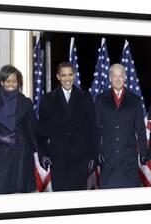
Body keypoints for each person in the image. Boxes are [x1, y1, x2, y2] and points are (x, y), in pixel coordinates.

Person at [36, 62, 96, 191]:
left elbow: (92, 129)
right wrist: (43, 154)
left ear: (74, 76)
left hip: (80, 159)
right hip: (58, 159)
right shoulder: (48, 99)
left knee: (78, 200)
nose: (67, 79)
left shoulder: (86, 98)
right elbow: (41, 131)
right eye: (63, 75)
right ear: (58, 77)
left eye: (70, 75)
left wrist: (92, 155)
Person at [95, 63, 149, 189]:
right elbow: (96, 129)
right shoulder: (100, 99)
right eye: (114, 76)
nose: (118, 79)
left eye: (121, 76)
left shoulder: (135, 100)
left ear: (125, 78)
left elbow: (140, 129)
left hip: (128, 160)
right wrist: (96, 152)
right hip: (108, 160)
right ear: (110, 78)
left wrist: (143, 153)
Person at [0, 65, 37, 194]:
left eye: (14, 81)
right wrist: (0, 138)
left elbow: (33, 130)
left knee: (20, 197)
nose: (11, 84)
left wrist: (39, 152)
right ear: (2, 82)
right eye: (8, 81)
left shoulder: (26, 102)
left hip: (21, 157)